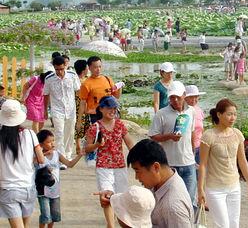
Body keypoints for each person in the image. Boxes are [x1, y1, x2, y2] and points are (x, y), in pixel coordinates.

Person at [95, 139, 194, 227]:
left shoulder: (173, 207)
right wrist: (112, 199)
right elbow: (140, 200)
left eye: (137, 171)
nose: (136, 177)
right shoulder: (161, 182)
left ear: (156, 167)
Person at [197, 98, 248, 228]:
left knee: (234, 224)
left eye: (235, 114)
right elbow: (203, 165)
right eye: (229, 114)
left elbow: (242, 160)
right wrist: (200, 190)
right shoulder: (208, 136)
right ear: (219, 114)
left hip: (234, 186)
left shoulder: (237, 134)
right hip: (214, 188)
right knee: (223, 225)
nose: (232, 118)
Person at [85, 96, 135, 228]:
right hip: (103, 166)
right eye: (109, 108)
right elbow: (87, 148)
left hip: (119, 165)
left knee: (120, 197)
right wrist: (97, 145)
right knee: (106, 196)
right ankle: (111, 225)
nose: (112, 111)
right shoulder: (94, 127)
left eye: (114, 108)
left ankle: (120, 223)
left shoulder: (120, 124)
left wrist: (138, 157)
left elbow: (129, 142)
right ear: (101, 108)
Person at [149, 81, 197, 209]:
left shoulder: (191, 111)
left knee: (190, 200)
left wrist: (193, 152)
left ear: (184, 95)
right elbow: (153, 136)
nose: (175, 100)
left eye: (177, 96)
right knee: (168, 202)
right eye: (171, 97)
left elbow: (192, 133)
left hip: (188, 163)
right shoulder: (161, 114)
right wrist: (169, 136)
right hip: (169, 165)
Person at [0, 99, 46, 228]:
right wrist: (26, 160)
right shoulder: (30, 134)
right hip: (28, 187)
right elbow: (41, 159)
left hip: (7, 189)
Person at [36, 129, 83, 228]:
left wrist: (79, 155)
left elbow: (70, 164)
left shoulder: (57, 154)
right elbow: (31, 163)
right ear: (41, 144)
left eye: (53, 141)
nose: (52, 144)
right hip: (42, 190)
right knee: (46, 215)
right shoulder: (38, 156)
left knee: (54, 215)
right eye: (49, 142)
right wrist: (43, 154)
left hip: (55, 190)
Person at [43, 56, 81, 160]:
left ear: (65, 66)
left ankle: (68, 154)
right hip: (57, 109)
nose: (59, 72)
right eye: (57, 69)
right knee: (59, 133)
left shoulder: (72, 76)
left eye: (61, 69)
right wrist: (45, 110)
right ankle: (61, 157)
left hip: (71, 109)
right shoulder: (49, 79)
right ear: (54, 67)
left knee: (69, 132)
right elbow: (45, 95)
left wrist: (81, 108)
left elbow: (79, 91)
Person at [77, 56, 121, 130]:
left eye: (100, 67)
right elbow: (82, 102)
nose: (98, 69)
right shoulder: (86, 84)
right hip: (95, 115)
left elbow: (117, 96)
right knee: (99, 137)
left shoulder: (107, 79)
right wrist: (79, 120)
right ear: (89, 68)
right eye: (95, 67)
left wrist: (120, 87)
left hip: (110, 113)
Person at [184, 85, 205, 166]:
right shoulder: (183, 111)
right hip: (187, 147)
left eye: (196, 97)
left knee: (199, 170)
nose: (194, 99)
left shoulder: (199, 110)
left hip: (199, 146)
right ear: (185, 98)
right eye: (191, 97)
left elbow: (201, 128)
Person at [73, 59, 90, 154]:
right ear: (84, 69)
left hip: (76, 104)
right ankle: (81, 145)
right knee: (83, 124)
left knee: (79, 124)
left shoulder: (75, 79)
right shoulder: (84, 81)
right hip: (83, 105)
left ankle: (79, 145)